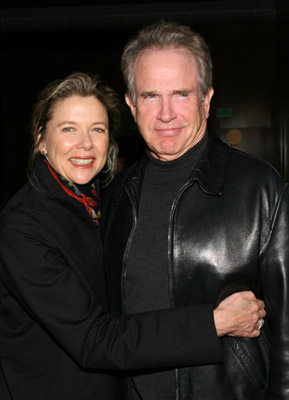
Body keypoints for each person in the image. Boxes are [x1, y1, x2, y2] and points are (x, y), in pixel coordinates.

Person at [0, 72, 265, 400]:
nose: (85, 144)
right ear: (41, 139)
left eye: (97, 129)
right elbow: (96, 340)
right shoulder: (23, 227)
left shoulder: (95, 199)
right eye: (68, 129)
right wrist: (214, 323)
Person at [101, 20, 289, 400]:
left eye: (182, 93)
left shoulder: (260, 188)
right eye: (151, 95)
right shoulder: (115, 195)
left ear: (207, 99)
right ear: (131, 105)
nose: (166, 113)